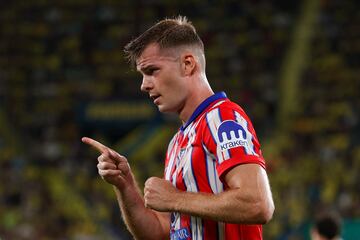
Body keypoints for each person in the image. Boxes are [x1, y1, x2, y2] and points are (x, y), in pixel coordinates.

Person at [82, 16, 274, 240]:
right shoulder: (177, 142)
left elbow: (257, 203)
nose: (144, 85)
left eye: (152, 70)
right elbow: (161, 232)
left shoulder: (221, 117)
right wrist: (125, 186)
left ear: (188, 64)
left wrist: (175, 199)